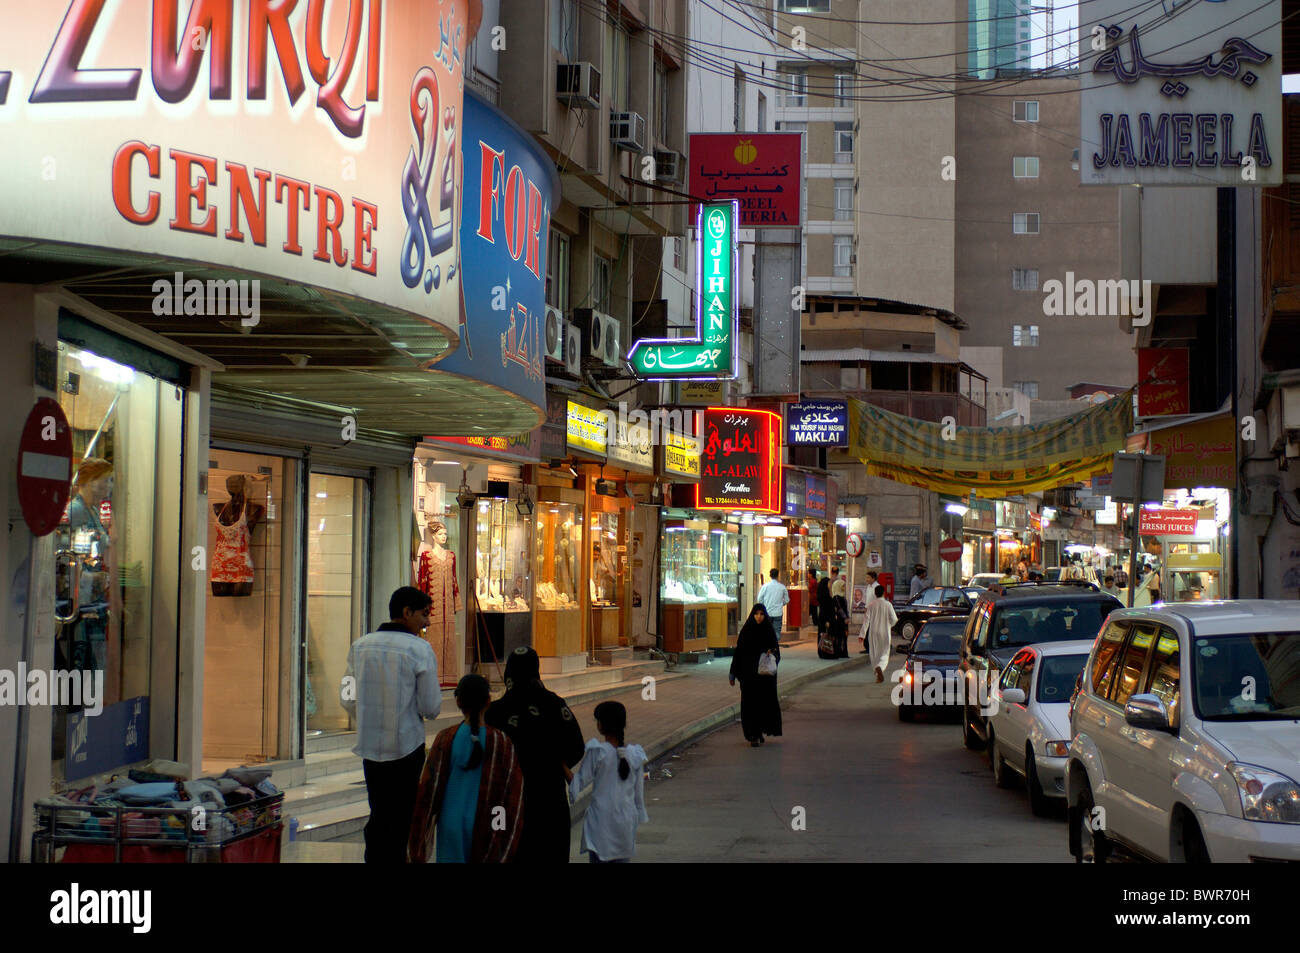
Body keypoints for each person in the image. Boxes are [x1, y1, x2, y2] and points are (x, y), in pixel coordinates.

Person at [341, 586, 441, 864]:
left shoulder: (360, 645)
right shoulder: (420, 649)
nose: (428, 622)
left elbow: (347, 698)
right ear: (406, 612)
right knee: (403, 817)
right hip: (406, 748)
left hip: (370, 748)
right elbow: (431, 707)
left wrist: (369, 715)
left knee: (380, 812)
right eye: (424, 614)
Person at [408, 674, 525, 863]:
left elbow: (428, 791)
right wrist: (500, 831)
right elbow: (510, 797)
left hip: (450, 825)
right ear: (488, 701)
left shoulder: (445, 739)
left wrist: (417, 842)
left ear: (458, 701)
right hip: (488, 826)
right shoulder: (501, 742)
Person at [484, 647, 585, 863]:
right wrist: (553, 761)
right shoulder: (555, 705)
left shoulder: (495, 711)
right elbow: (576, 747)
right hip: (549, 800)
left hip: (507, 803)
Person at [570, 701, 648, 863]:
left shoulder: (597, 752)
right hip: (625, 828)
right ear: (623, 724)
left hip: (601, 827)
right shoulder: (636, 755)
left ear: (601, 725)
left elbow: (577, 784)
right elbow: (639, 799)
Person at [729, 604, 782, 746]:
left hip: (763, 677)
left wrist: (772, 653)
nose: (759, 617)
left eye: (761, 614)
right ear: (752, 615)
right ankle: (752, 734)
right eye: (756, 614)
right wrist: (733, 673)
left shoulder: (769, 631)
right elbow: (738, 653)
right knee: (749, 705)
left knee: (761, 705)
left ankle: (758, 732)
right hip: (748, 676)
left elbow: (777, 653)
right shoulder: (746, 631)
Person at [860, 584, 897, 683]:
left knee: (874, 653)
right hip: (885, 632)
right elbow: (894, 619)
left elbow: (866, 620)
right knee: (884, 653)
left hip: (873, 632)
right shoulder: (888, 604)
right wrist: (889, 625)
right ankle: (880, 667)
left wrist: (862, 635)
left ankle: (877, 672)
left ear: (875, 594)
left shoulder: (871, 605)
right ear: (884, 593)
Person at [756, 568, 789, 643]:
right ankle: (774, 646)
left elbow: (759, 598)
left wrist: (764, 605)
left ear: (770, 575)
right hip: (778, 613)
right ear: (778, 575)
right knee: (777, 631)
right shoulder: (782, 587)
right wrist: (781, 604)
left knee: (766, 630)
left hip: (767, 612)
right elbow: (787, 600)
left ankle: (767, 645)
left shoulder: (765, 586)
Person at [857, 571, 879, 654]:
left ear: (873, 578)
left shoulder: (877, 587)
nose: (867, 579)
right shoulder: (869, 587)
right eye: (866, 577)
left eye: (868, 578)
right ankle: (867, 647)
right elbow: (868, 599)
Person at [829, 593, 850, 658]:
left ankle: (844, 652)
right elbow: (839, 608)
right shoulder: (836, 598)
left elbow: (846, 609)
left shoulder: (843, 597)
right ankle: (838, 652)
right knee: (839, 636)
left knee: (844, 636)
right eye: (842, 586)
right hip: (839, 621)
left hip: (844, 621)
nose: (843, 588)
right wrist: (845, 617)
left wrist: (848, 617)